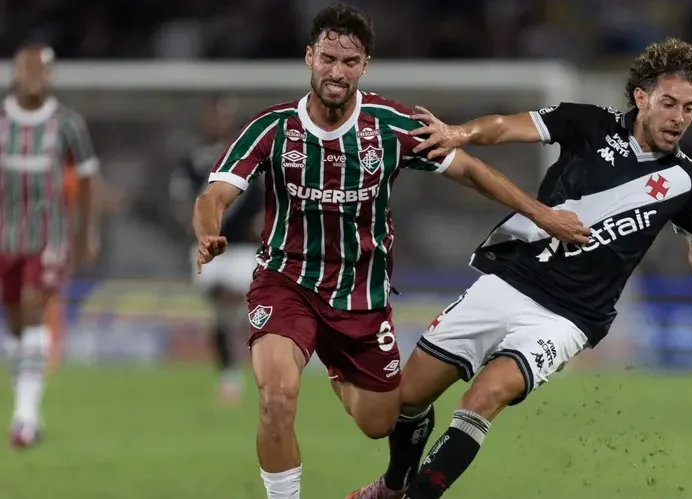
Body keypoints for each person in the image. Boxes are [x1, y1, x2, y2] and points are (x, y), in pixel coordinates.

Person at [347, 37, 692, 499]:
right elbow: (505, 126)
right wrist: (461, 132)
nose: (679, 117)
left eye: (689, 108)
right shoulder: (588, 123)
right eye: (669, 103)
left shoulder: (687, 181)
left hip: (570, 317)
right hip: (512, 280)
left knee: (485, 396)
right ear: (642, 98)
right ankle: (393, 486)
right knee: (408, 398)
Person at [191, 4, 590, 499]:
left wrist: (541, 214)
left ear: (365, 65)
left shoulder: (389, 125)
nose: (337, 72)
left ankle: (340, 370)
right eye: (328, 59)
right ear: (310, 57)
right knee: (277, 396)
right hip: (285, 281)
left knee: (380, 422)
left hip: (359, 296)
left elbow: (468, 170)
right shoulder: (272, 127)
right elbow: (214, 195)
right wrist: (207, 232)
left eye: (349, 62)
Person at [0, 43, 101, 448]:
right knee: (15, 322)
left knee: (33, 306)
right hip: (6, 234)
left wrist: (87, 231)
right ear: (16, 74)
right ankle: (28, 409)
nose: (36, 77)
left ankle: (23, 418)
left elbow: (88, 177)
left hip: (49, 234)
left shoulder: (67, 124)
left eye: (43, 70)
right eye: (29, 69)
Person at [170, 95, 261, 404]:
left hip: (243, 249)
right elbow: (181, 198)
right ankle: (229, 374)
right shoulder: (194, 158)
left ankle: (243, 370)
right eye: (214, 116)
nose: (218, 122)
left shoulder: (250, 157)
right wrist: (191, 223)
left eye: (223, 116)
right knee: (223, 307)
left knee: (237, 303)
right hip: (209, 248)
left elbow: (267, 197)